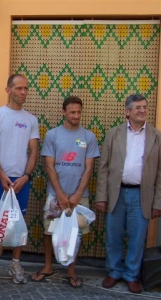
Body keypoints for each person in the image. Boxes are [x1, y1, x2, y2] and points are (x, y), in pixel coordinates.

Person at [30, 96, 100, 288]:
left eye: (79, 112)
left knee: (76, 233)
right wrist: (60, 194)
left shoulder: (88, 137)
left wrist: (77, 194)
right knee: (48, 230)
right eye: (72, 112)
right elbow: (49, 167)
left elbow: (89, 169)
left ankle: (71, 271)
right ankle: (47, 266)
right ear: (64, 112)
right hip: (55, 196)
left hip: (80, 197)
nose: (76, 115)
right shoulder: (53, 135)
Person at [95, 93, 161, 294]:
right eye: (138, 107)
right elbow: (104, 168)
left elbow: (159, 172)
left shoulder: (156, 136)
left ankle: (132, 275)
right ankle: (114, 271)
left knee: (137, 237)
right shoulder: (113, 134)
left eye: (145, 107)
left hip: (141, 195)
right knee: (113, 236)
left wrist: (157, 202)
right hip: (117, 194)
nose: (142, 110)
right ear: (127, 111)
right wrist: (101, 196)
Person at [0, 74, 39, 285]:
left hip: (21, 181)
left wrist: (26, 176)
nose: (23, 93)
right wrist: (2, 174)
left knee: (18, 223)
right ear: (8, 90)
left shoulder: (31, 119)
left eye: (26, 89)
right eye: (19, 88)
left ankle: (15, 263)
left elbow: (33, 152)